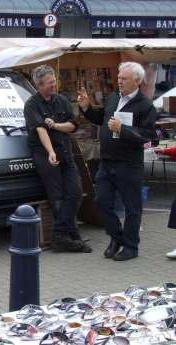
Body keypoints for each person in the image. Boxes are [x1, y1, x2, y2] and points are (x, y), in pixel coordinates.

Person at [78, 61, 157, 261]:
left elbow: (147, 135)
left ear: (137, 81)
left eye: (124, 79)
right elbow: (102, 119)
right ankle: (116, 237)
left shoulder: (145, 105)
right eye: (119, 78)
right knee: (101, 202)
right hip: (107, 160)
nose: (119, 81)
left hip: (128, 164)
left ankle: (131, 247)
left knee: (132, 208)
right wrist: (87, 109)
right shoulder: (113, 97)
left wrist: (123, 129)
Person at [24, 65, 91, 253]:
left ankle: (61, 235)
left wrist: (56, 125)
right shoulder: (31, 105)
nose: (54, 85)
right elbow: (40, 129)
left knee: (76, 192)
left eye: (54, 81)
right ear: (38, 85)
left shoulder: (61, 100)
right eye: (49, 83)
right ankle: (70, 235)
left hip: (65, 151)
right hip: (45, 155)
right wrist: (50, 152)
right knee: (57, 197)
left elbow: (72, 126)